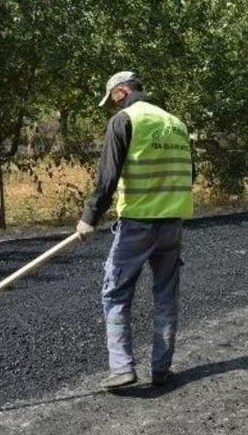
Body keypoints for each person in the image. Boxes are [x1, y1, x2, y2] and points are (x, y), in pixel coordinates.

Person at [75, 71, 194, 389]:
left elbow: (107, 177)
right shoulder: (176, 124)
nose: (112, 105)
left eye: (112, 98)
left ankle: (122, 367)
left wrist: (89, 217)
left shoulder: (124, 120)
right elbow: (188, 173)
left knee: (115, 292)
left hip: (138, 225)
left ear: (121, 92)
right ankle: (161, 369)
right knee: (166, 293)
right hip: (173, 225)